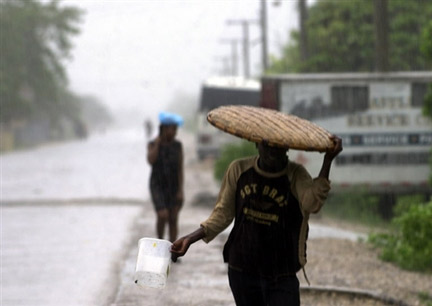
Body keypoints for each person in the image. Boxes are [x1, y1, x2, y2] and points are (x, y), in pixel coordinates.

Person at [171, 136, 343, 306]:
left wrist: (327, 161)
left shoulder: (295, 174)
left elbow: (312, 204)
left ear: (287, 148)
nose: (272, 151)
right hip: (243, 269)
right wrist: (190, 239)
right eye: (267, 145)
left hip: (282, 272)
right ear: (256, 144)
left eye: (278, 146)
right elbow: (222, 214)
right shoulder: (239, 169)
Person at [147, 112, 184, 242]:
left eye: (175, 129)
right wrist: (158, 143)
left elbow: (180, 168)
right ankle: (160, 242)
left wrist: (180, 190)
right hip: (157, 185)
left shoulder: (178, 146)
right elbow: (151, 160)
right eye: (172, 129)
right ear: (163, 128)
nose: (174, 132)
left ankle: (173, 251)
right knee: (162, 215)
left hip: (173, 185)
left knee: (173, 218)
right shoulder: (152, 144)